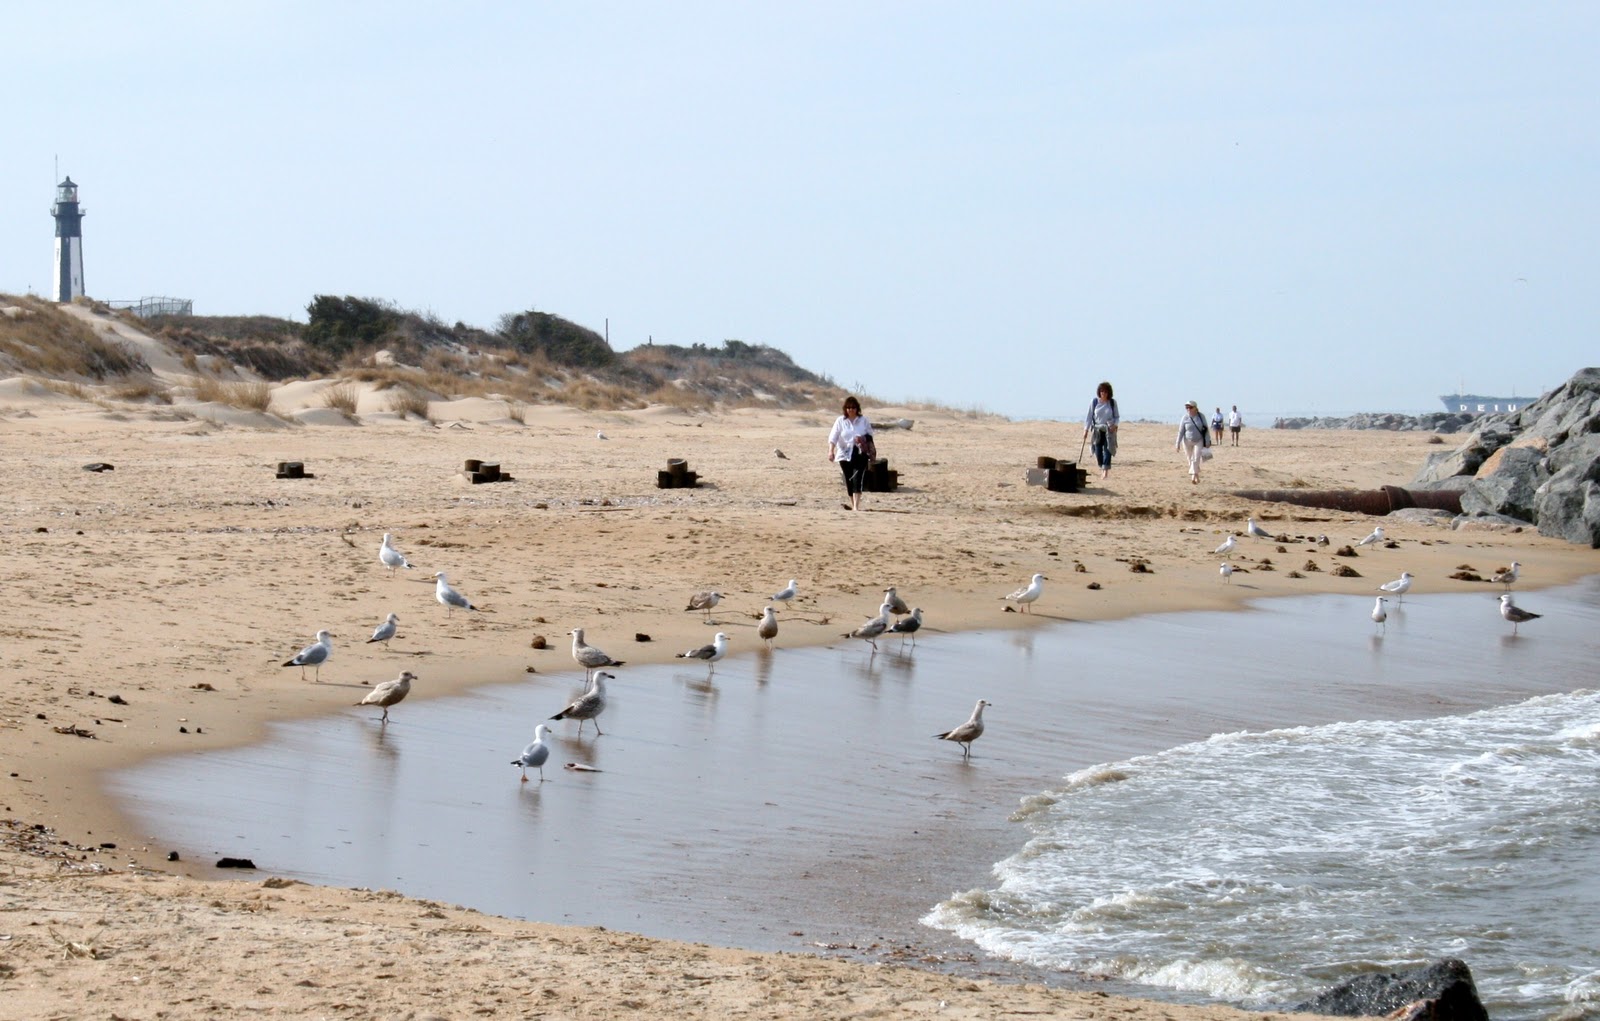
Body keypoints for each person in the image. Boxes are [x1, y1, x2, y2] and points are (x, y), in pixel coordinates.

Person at [827, 395, 874, 511]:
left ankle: (856, 507)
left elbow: (870, 435)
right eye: (848, 408)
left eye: (853, 408)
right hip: (844, 453)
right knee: (848, 479)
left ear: (857, 409)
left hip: (860, 453)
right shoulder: (840, 421)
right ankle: (852, 503)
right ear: (845, 409)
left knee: (858, 478)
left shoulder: (864, 420)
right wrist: (831, 451)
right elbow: (833, 436)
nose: (851, 410)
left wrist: (862, 438)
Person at [1082, 381, 1119, 480]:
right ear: (1099, 392)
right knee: (1098, 452)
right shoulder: (1094, 402)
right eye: (1102, 391)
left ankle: (1105, 471)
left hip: (1109, 430)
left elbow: (1117, 417)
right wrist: (1085, 430)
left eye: (1105, 392)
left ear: (1109, 393)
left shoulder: (1112, 403)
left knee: (1108, 450)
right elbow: (1089, 417)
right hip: (1097, 430)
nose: (1103, 393)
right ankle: (1101, 466)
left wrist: (1115, 425)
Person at [1175, 399, 1210, 484]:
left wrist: (1207, 440)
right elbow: (1181, 431)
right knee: (1190, 458)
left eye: (1190, 407)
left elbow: (1205, 429)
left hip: (1199, 440)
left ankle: (1193, 475)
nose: (1188, 409)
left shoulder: (1201, 416)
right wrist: (1177, 443)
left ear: (1195, 408)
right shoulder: (1185, 418)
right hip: (1187, 440)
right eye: (1187, 407)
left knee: (1196, 458)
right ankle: (1196, 475)